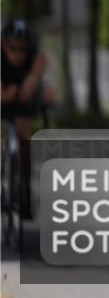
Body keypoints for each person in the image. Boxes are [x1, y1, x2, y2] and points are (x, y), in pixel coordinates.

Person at [1, 18, 48, 219]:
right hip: (3, 99)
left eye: (23, 49)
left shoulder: (37, 58)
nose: (19, 53)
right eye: (13, 48)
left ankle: (25, 191)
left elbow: (34, 78)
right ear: (4, 45)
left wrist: (28, 87)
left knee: (24, 133)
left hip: (23, 103)